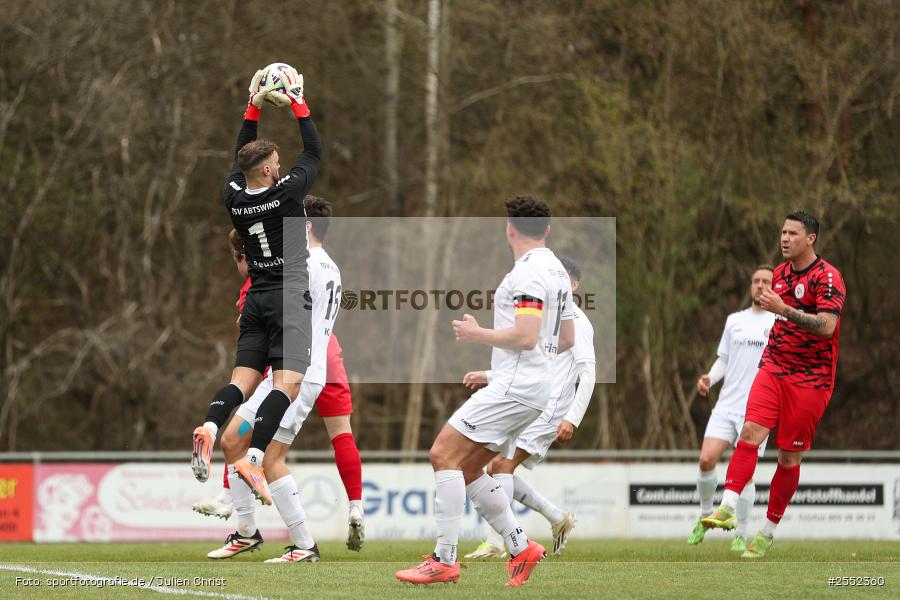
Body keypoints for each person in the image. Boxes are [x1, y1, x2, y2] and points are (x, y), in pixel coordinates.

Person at [395, 196, 575, 587]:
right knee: (470, 467)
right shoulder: (559, 272)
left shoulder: (526, 273)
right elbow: (565, 338)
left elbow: (527, 336)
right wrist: (501, 370)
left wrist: (479, 335)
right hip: (534, 387)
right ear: (547, 229)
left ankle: (444, 559)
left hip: (518, 388)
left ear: (508, 228)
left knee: (442, 454)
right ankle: (520, 545)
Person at [191, 65, 321, 507]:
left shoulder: (232, 195)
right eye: (277, 164)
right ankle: (253, 456)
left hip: (257, 301)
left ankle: (209, 427)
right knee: (287, 385)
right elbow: (315, 150)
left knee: (241, 382)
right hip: (288, 298)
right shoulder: (285, 194)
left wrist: (252, 106)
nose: (282, 167)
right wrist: (298, 102)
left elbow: (237, 156)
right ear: (268, 169)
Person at [194, 222, 364, 554]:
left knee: (271, 457)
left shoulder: (293, 267)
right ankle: (245, 528)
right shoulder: (326, 264)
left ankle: (304, 545)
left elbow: (274, 320)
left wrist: (252, 318)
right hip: (302, 366)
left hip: (298, 372)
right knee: (232, 441)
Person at [703, 211, 846, 558]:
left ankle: (768, 530)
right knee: (750, 430)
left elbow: (827, 326)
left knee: (789, 456)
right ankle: (727, 504)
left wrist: (785, 309)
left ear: (810, 239)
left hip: (812, 380)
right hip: (774, 367)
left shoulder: (827, 277)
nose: (784, 238)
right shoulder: (779, 274)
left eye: (792, 233)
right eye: (782, 232)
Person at [464, 255, 594, 559]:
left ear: (573, 285)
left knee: (501, 466)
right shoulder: (549, 320)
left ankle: (498, 544)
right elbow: (536, 365)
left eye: (565, 278)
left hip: (551, 409)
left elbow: (589, 373)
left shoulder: (576, 320)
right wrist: (489, 375)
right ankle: (556, 517)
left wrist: (572, 418)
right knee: (496, 467)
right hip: (534, 401)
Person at [685, 265, 776, 552]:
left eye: (766, 282)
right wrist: (709, 379)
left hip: (757, 411)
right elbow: (723, 359)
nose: (760, 286)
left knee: (746, 476)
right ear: (750, 285)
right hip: (726, 405)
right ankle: (704, 517)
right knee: (705, 460)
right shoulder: (734, 321)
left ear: (774, 288)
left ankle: (741, 532)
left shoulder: (778, 322)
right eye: (756, 281)